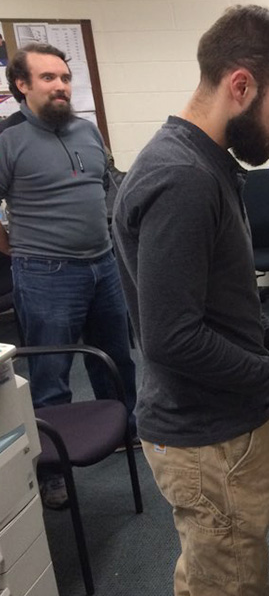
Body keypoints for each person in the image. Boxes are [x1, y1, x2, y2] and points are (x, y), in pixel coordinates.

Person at [111, 5, 269, 596]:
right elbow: (172, 338)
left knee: (214, 572)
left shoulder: (207, 163)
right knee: (229, 581)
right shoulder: (184, 177)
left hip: (218, 430)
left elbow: (221, 303)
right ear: (240, 85)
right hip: (206, 438)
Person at [0, 42, 138, 509]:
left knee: (116, 358)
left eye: (64, 77)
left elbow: (107, 187)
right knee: (51, 374)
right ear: (21, 85)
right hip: (44, 273)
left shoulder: (86, 130)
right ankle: (53, 469)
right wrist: (16, 249)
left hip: (103, 264)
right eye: (47, 78)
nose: (60, 86)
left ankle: (128, 433)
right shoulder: (7, 138)